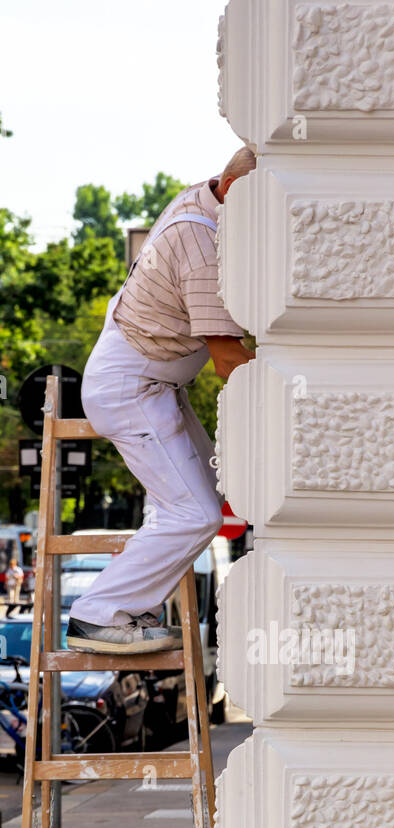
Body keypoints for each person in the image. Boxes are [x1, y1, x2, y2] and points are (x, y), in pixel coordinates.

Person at [67, 146, 256, 655]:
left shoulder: (208, 199)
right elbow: (229, 361)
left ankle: (134, 606)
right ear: (237, 191)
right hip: (134, 390)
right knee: (195, 514)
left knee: (197, 503)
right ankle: (98, 615)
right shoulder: (202, 247)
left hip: (151, 384)